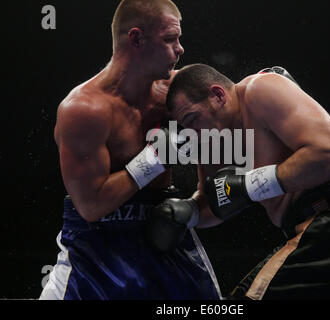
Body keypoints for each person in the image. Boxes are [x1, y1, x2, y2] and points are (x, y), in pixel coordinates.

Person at [150, 63, 330, 299]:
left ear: (218, 95)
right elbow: (217, 200)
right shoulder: (211, 138)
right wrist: (188, 212)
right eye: (184, 125)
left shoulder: (262, 90)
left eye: (192, 119)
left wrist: (250, 186)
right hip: (322, 233)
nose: (192, 132)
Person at [40, 1, 221, 300]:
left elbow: (227, 119)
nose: (180, 49)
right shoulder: (84, 110)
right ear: (136, 39)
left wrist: (198, 200)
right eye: (169, 39)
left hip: (164, 232)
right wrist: (155, 158)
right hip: (95, 249)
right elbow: (91, 206)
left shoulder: (175, 93)